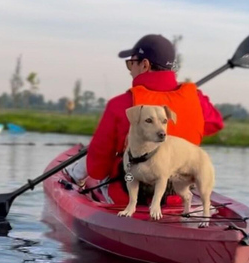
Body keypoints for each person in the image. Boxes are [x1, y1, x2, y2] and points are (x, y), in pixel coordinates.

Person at [64, 34, 224, 204]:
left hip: (126, 197)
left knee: (101, 164)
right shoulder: (196, 99)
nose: (130, 70)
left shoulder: (120, 104)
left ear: (145, 64)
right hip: (176, 198)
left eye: (131, 63)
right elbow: (215, 123)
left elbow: (97, 171)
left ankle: (72, 176)